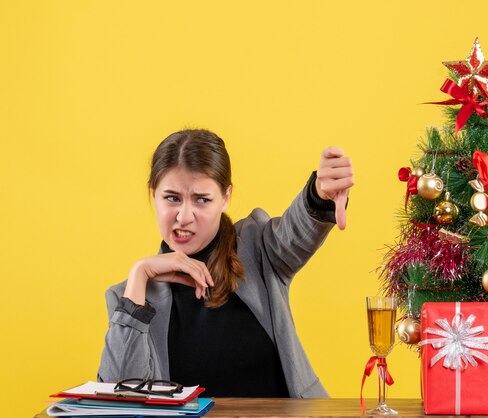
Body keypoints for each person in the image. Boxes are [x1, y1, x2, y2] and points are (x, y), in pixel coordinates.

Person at [97, 129, 354, 398]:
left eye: (202, 199)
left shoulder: (259, 249)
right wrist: (140, 273)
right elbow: (118, 398)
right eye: (172, 198)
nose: (184, 217)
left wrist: (319, 194)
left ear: (226, 197)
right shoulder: (130, 299)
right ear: (154, 196)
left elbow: (296, 231)